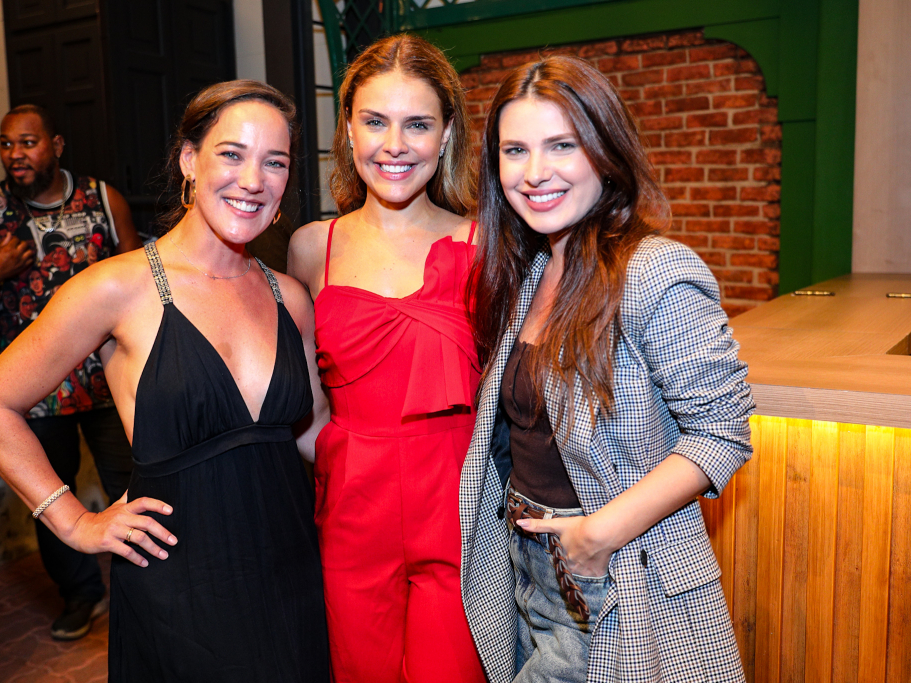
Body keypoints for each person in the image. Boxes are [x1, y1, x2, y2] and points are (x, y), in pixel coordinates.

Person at [0, 81, 330, 682]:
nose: (253, 180)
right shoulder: (115, 287)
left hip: (289, 571)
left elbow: (313, 430)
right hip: (177, 585)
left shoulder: (288, 295)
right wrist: (73, 522)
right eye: (232, 154)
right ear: (189, 160)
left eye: (275, 162)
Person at [460, 55, 755, 682]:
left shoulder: (652, 271)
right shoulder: (532, 273)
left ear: (604, 151)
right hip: (526, 569)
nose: (535, 172)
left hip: (620, 578)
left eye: (561, 145)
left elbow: (722, 432)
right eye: (515, 150)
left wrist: (595, 537)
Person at [289, 34, 486, 683]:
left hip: (459, 514)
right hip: (351, 516)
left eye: (417, 124)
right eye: (375, 120)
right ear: (348, 128)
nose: (394, 145)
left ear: (447, 132)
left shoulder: (486, 245)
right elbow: (306, 405)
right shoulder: (314, 247)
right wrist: (349, 464)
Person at [0, 104, 142, 640]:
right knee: (52, 498)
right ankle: (82, 594)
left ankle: (150, 593)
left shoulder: (105, 200)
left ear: (56, 145)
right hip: (33, 393)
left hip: (109, 383)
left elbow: (141, 278)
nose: (16, 155)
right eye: (6, 144)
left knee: (136, 486)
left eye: (28, 143)